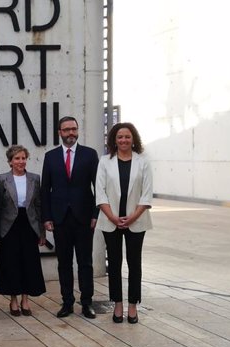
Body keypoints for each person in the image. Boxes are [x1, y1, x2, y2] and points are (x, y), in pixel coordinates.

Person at [41, 116, 99, 319]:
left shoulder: (90, 155)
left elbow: (97, 187)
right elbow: (45, 189)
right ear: (59, 132)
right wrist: (46, 217)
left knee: (85, 262)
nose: (71, 133)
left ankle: (87, 303)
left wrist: (95, 214)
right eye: (66, 130)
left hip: (84, 218)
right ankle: (67, 302)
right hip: (60, 219)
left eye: (74, 129)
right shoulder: (50, 157)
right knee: (64, 263)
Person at [96, 122, 153, 324]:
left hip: (136, 221)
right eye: (119, 137)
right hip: (110, 220)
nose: (123, 140)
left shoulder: (143, 161)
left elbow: (147, 194)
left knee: (134, 263)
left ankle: (132, 306)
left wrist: (132, 217)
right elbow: (100, 192)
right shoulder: (105, 161)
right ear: (114, 140)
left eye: (127, 136)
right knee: (115, 263)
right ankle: (117, 304)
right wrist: (112, 216)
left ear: (133, 139)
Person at [0, 145, 47, 316]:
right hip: (9, 226)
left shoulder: (34, 178)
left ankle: (25, 299)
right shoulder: (2, 179)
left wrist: (41, 232)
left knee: (29, 263)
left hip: (29, 224)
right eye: (17, 158)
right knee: (11, 263)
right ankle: (13, 300)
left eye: (23, 158)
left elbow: (39, 206)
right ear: (10, 161)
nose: (21, 161)